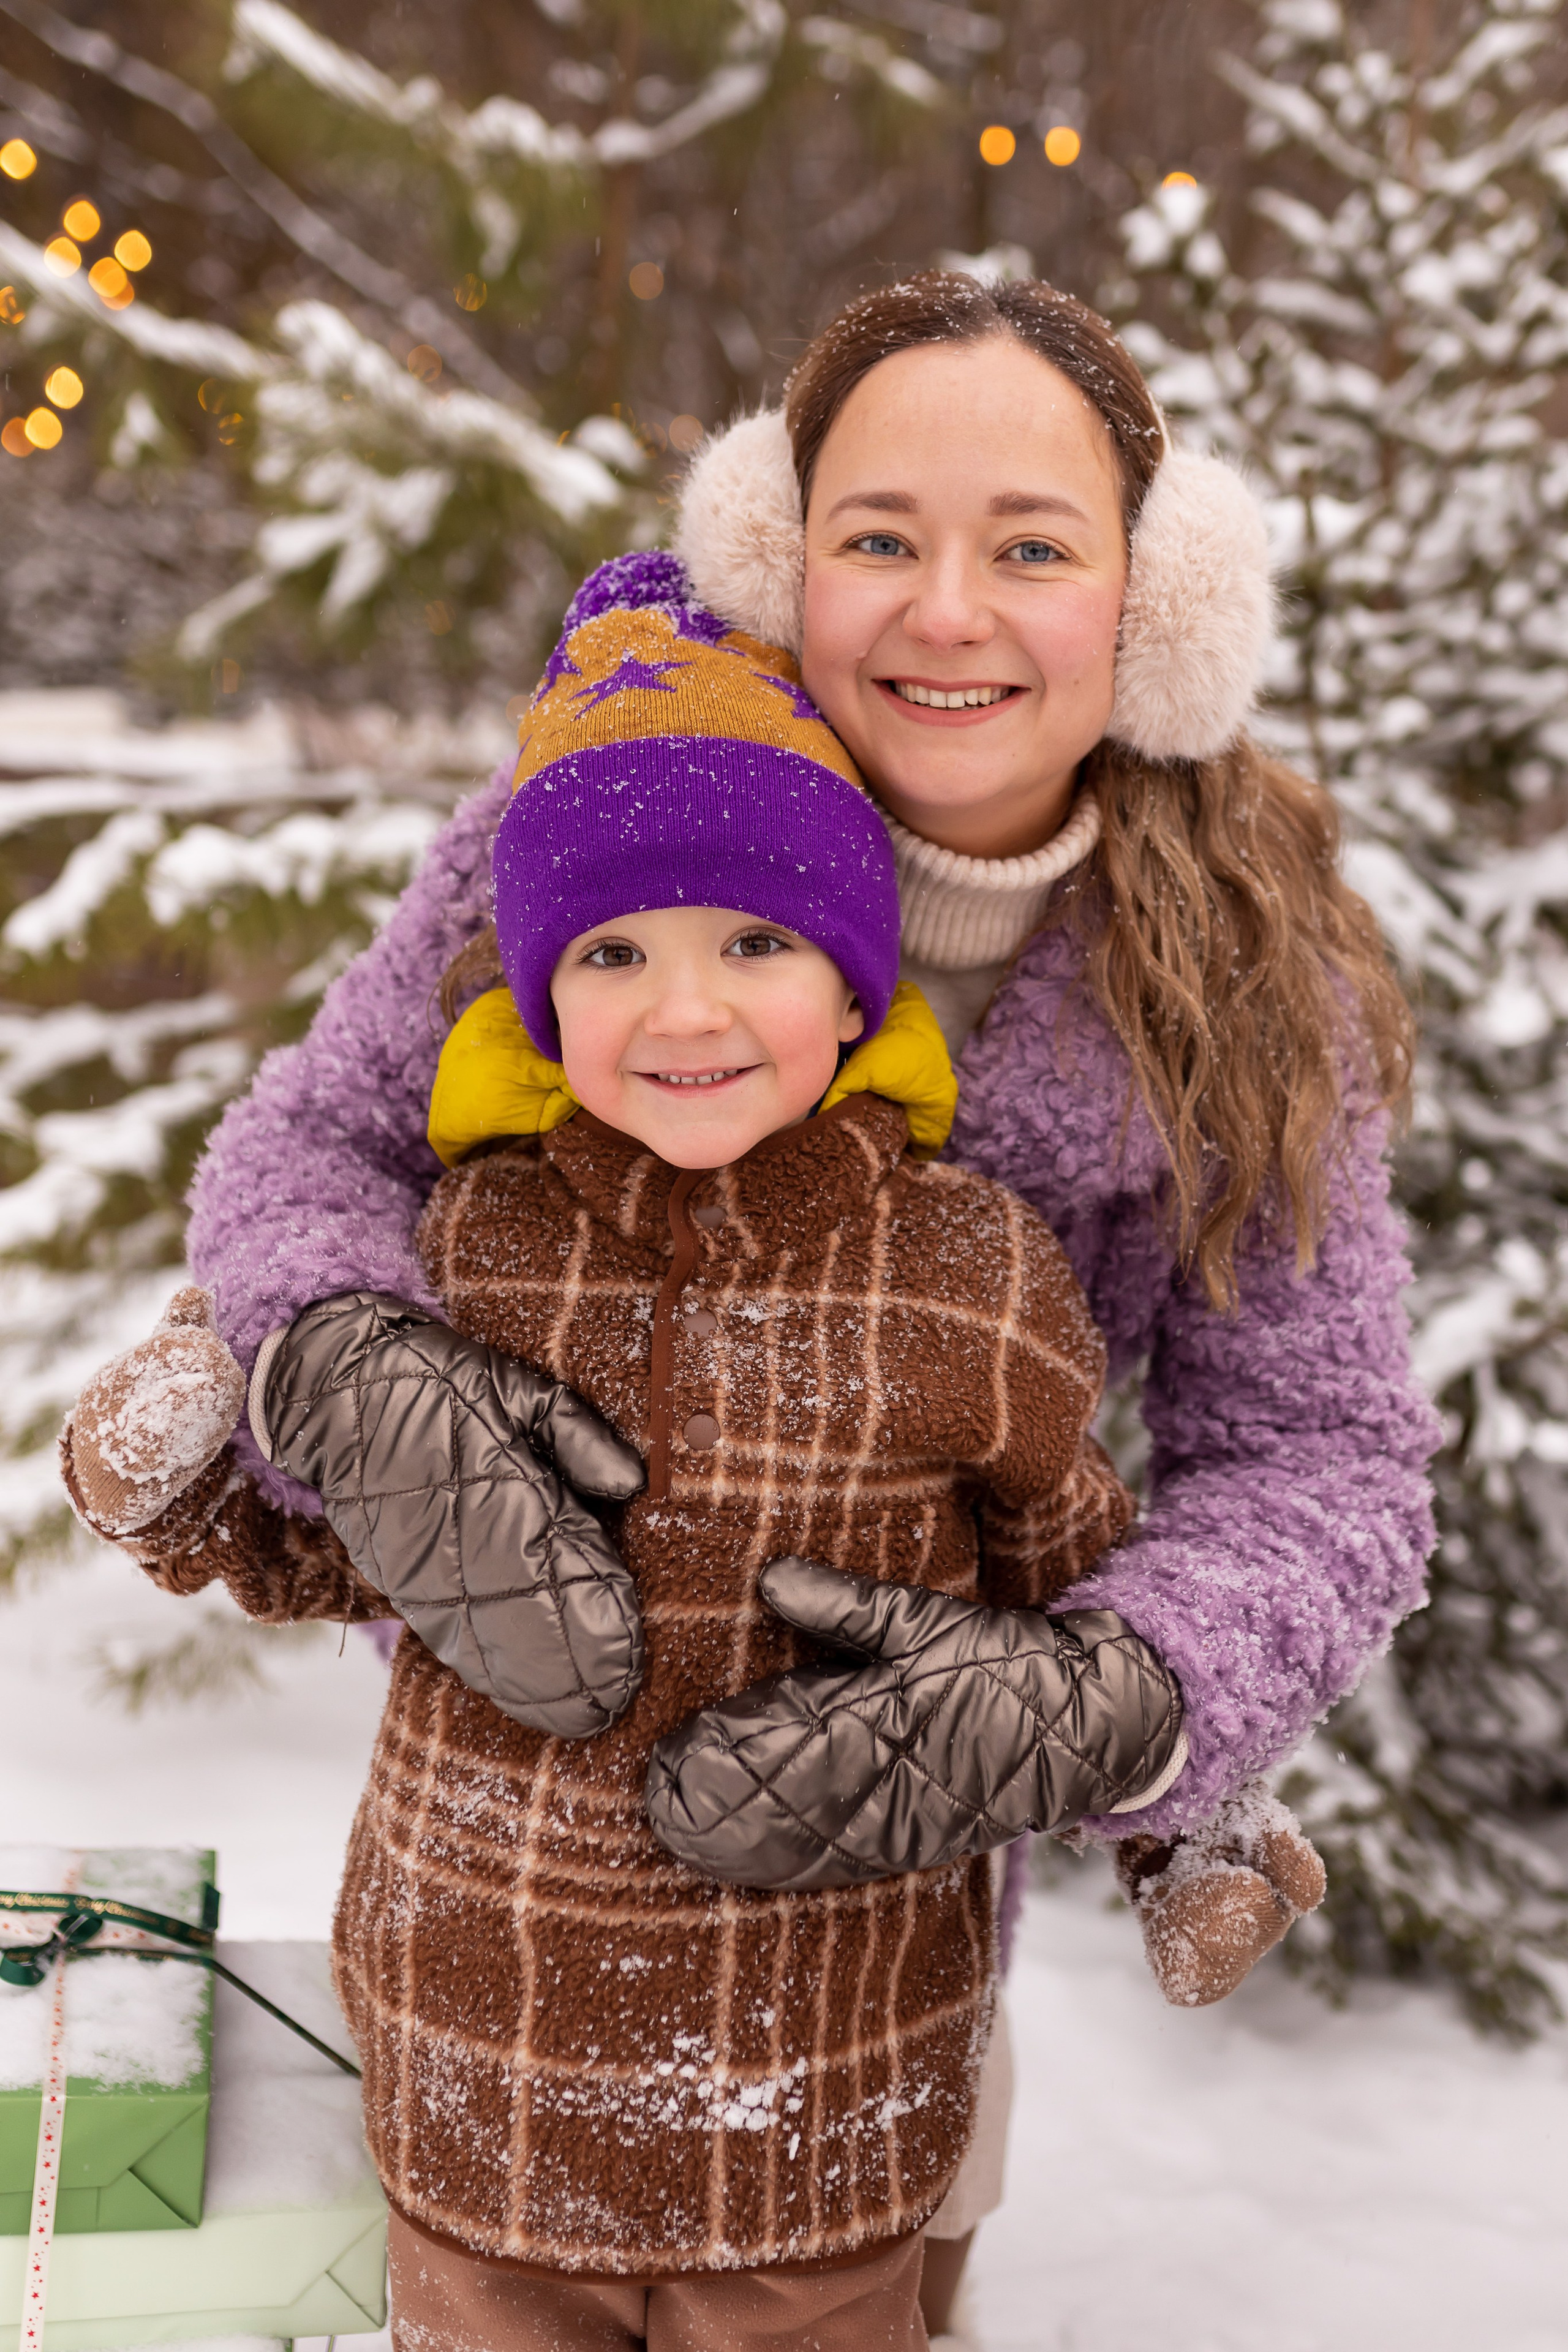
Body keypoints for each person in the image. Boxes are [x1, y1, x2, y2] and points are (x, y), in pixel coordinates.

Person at [62, 273, 1439, 2343]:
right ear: (783, 558)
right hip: (515, 1826)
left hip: (871, 1909)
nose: (946, 612)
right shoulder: (612, 817)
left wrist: (1123, 1688)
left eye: (1032, 548)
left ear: (1156, 608)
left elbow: (1321, 1449)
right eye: (879, 536)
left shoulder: (1247, 987)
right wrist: (342, 1362)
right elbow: (311, 1147)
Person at [66, 605, 1191, 2346]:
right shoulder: (470, 1250)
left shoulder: (970, 1281)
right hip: (483, 2076)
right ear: (534, 992)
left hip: (823, 2093)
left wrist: (1194, 1823)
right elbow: (328, 1545)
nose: (685, 1008)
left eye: (756, 940)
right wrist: (183, 1478)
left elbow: (1076, 1612)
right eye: (609, 953)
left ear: (853, 987)